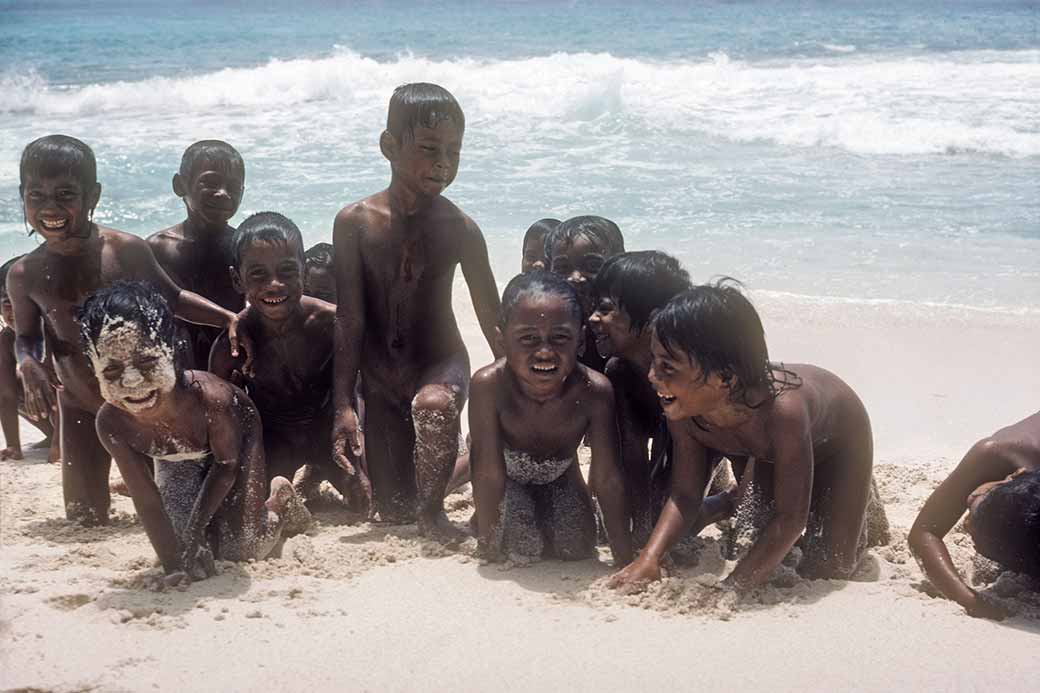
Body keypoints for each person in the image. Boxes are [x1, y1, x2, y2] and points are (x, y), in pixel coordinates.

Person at [8, 134, 247, 526]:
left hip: (148, 403)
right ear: (23, 197)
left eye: (65, 193)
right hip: (80, 402)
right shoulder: (24, 274)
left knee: (176, 505)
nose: (50, 207)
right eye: (37, 195)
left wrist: (227, 318)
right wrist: (28, 362)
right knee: (84, 516)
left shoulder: (124, 251)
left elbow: (174, 298)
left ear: (93, 195)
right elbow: (27, 335)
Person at [608, 280, 888, 592]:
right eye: (654, 361)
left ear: (725, 378)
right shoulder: (684, 409)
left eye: (668, 367)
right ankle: (731, 499)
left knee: (830, 565)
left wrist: (734, 586)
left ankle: (861, 496)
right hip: (768, 452)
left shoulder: (784, 412)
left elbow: (791, 519)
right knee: (747, 543)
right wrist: (649, 557)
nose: (652, 376)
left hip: (837, 444)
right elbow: (686, 494)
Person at [332, 83, 501, 538]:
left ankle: (436, 514)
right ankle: (462, 463)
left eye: (454, 151)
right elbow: (348, 317)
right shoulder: (355, 223)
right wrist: (344, 404)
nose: (443, 161)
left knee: (433, 408)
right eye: (428, 148)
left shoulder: (461, 229)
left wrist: (515, 390)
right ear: (389, 146)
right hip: (381, 376)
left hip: (438, 363)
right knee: (394, 507)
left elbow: (492, 319)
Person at [80, 282, 307, 581]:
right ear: (94, 368)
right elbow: (146, 499)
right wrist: (174, 564)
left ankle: (280, 500)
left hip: (234, 442)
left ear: (172, 351)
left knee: (244, 547)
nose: (133, 382)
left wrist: (195, 532)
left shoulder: (212, 400)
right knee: (183, 541)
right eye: (111, 371)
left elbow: (226, 466)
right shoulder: (111, 424)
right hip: (175, 457)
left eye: (147, 362)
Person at [210, 213, 370, 512]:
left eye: (287, 271)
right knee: (253, 504)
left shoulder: (330, 323)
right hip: (275, 437)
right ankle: (289, 500)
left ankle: (323, 470)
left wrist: (351, 422)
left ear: (303, 273)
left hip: (328, 430)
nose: (274, 284)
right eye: (258, 274)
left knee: (366, 500)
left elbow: (363, 383)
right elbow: (215, 415)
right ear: (237, 279)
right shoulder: (231, 345)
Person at [470, 271, 632, 564]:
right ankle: (496, 513)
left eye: (559, 338)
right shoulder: (488, 385)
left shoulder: (594, 390)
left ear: (580, 340)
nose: (545, 352)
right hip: (509, 478)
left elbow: (606, 476)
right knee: (523, 548)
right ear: (502, 340)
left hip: (561, 476)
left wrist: (624, 556)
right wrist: (488, 541)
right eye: (528, 339)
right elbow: (487, 473)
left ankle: (546, 509)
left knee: (576, 548)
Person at [588, 251, 694, 543]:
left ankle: (722, 501)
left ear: (651, 319)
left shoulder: (690, 372)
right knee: (651, 515)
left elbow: (675, 452)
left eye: (606, 309)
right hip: (660, 424)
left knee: (675, 522)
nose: (593, 318)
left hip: (708, 442)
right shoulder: (619, 370)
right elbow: (631, 453)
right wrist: (641, 524)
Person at [909, 411, 1040, 620]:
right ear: (1014, 474)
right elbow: (924, 531)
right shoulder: (996, 452)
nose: (965, 527)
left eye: (972, 505)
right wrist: (970, 601)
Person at [148, 140, 246, 369]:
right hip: (177, 370)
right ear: (180, 185)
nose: (223, 193)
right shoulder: (158, 249)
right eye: (210, 182)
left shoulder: (245, 246)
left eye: (233, 186)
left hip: (233, 363)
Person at [544, 215, 624, 372]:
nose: (575, 278)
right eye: (562, 268)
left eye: (593, 266)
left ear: (619, 265)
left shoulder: (630, 327)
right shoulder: (544, 326)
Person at [0, 256, 59, 463]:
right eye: (8, 304)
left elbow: (69, 392)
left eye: (24, 304)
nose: (16, 311)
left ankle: (61, 438)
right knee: (15, 383)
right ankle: (53, 434)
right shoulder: (6, 340)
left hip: (84, 412)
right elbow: (5, 395)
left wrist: (59, 447)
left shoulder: (56, 332)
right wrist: (13, 445)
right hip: (54, 413)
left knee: (59, 386)